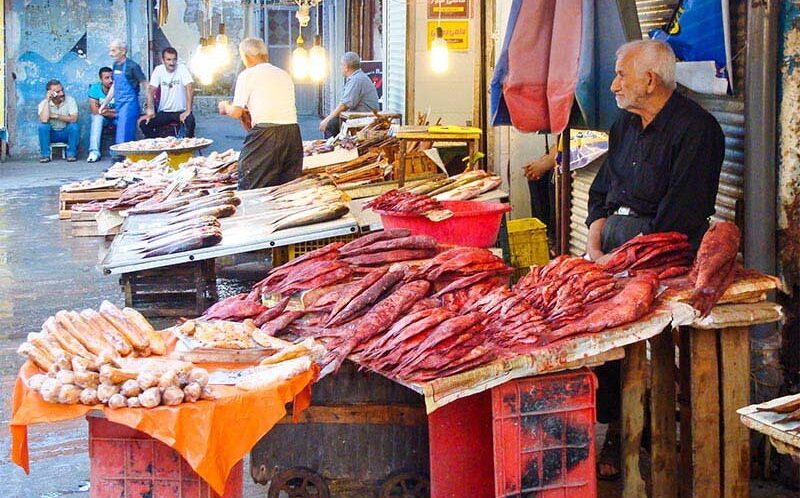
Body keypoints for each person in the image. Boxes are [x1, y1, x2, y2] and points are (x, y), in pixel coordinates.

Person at [585, 39, 724, 479]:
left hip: (664, 254)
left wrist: (619, 244)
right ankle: (616, 421)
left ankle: (630, 429)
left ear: (650, 79)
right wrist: (594, 238)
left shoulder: (698, 131)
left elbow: (676, 222)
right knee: (596, 323)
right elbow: (601, 193)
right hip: (613, 249)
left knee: (625, 320)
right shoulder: (623, 127)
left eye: (621, 75)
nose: (613, 85)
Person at [218, 38, 303, 190]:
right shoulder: (283, 74)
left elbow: (236, 112)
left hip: (266, 134)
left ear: (247, 56)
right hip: (292, 135)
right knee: (287, 188)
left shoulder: (247, 75)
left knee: (251, 185)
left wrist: (225, 107)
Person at [319, 51, 380, 138]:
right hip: (361, 115)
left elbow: (344, 105)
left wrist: (327, 120)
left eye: (341, 65)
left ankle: (333, 150)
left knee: (331, 124)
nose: (340, 67)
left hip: (364, 118)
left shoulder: (356, 80)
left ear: (346, 67)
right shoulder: (358, 77)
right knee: (335, 121)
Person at [99, 39, 148, 146]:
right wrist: (104, 104)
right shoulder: (115, 65)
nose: (110, 54)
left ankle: (120, 157)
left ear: (123, 51)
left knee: (123, 134)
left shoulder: (133, 66)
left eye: (113, 51)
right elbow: (115, 86)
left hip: (130, 105)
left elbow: (146, 85)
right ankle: (126, 158)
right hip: (119, 104)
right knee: (125, 133)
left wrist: (150, 107)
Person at [140, 47, 196, 138]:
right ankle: (159, 144)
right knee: (143, 123)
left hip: (180, 112)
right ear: (163, 60)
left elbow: (190, 87)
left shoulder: (182, 68)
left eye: (174, 59)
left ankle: (186, 148)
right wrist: (150, 109)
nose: (172, 63)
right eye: (168, 59)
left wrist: (188, 110)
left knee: (190, 122)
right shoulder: (158, 70)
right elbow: (151, 90)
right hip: (164, 111)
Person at [37, 79, 79, 163]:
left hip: (65, 132)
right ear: (51, 93)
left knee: (74, 126)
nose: (62, 93)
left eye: (62, 90)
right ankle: (45, 155)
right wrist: (48, 101)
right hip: (51, 134)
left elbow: (74, 118)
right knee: (43, 127)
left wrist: (55, 116)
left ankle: (71, 155)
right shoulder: (43, 104)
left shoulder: (70, 100)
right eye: (58, 92)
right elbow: (44, 120)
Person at [87, 67, 116, 162]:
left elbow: (123, 111)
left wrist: (104, 110)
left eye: (112, 77)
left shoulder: (119, 88)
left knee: (124, 119)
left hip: (116, 118)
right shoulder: (95, 88)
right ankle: (94, 152)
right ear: (101, 79)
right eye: (107, 78)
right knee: (97, 118)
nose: (110, 80)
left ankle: (123, 152)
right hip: (103, 118)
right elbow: (95, 111)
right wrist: (112, 111)